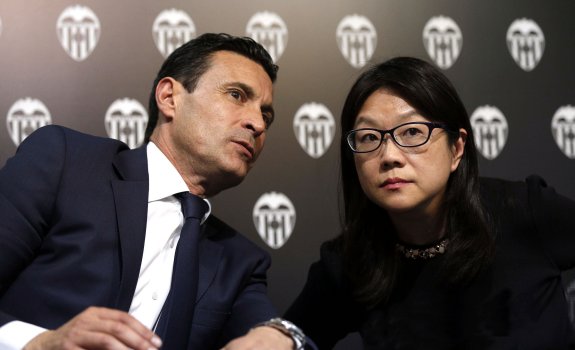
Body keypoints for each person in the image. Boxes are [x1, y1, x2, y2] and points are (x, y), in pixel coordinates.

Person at [0, 33, 307, 350]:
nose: (257, 123)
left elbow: (271, 334)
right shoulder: (66, 164)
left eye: (267, 116)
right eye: (236, 95)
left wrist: (282, 336)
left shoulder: (241, 263)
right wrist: (39, 343)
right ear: (170, 97)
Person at [284, 56, 575, 349]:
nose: (389, 157)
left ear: (457, 148)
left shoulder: (524, 210)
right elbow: (289, 334)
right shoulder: (351, 259)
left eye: (411, 132)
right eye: (369, 137)